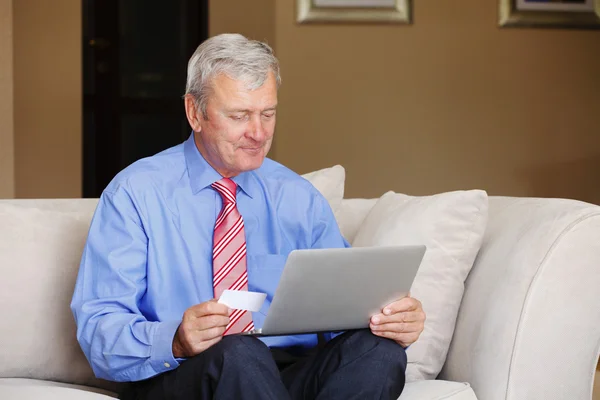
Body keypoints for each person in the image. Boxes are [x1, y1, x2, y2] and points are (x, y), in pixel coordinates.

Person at [70, 33, 426, 400]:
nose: (258, 133)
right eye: (239, 116)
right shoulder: (135, 193)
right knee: (239, 352)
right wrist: (175, 340)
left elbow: (346, 311)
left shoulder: (297, 196)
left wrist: (389, 320)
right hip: (186, 374)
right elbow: (99, 331)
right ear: (195, 112)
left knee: (379, 352)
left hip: (287, 372)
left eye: (267, 114)